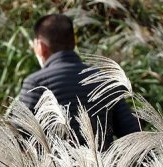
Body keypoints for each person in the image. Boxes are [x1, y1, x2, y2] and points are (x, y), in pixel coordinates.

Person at [20, 14, 141, 150]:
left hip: (55, 164)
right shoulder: (104, 79)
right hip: (103, 163)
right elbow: (133, 135)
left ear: (41, 47)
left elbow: (19, 140)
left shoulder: (35, 83)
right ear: (74, 42)